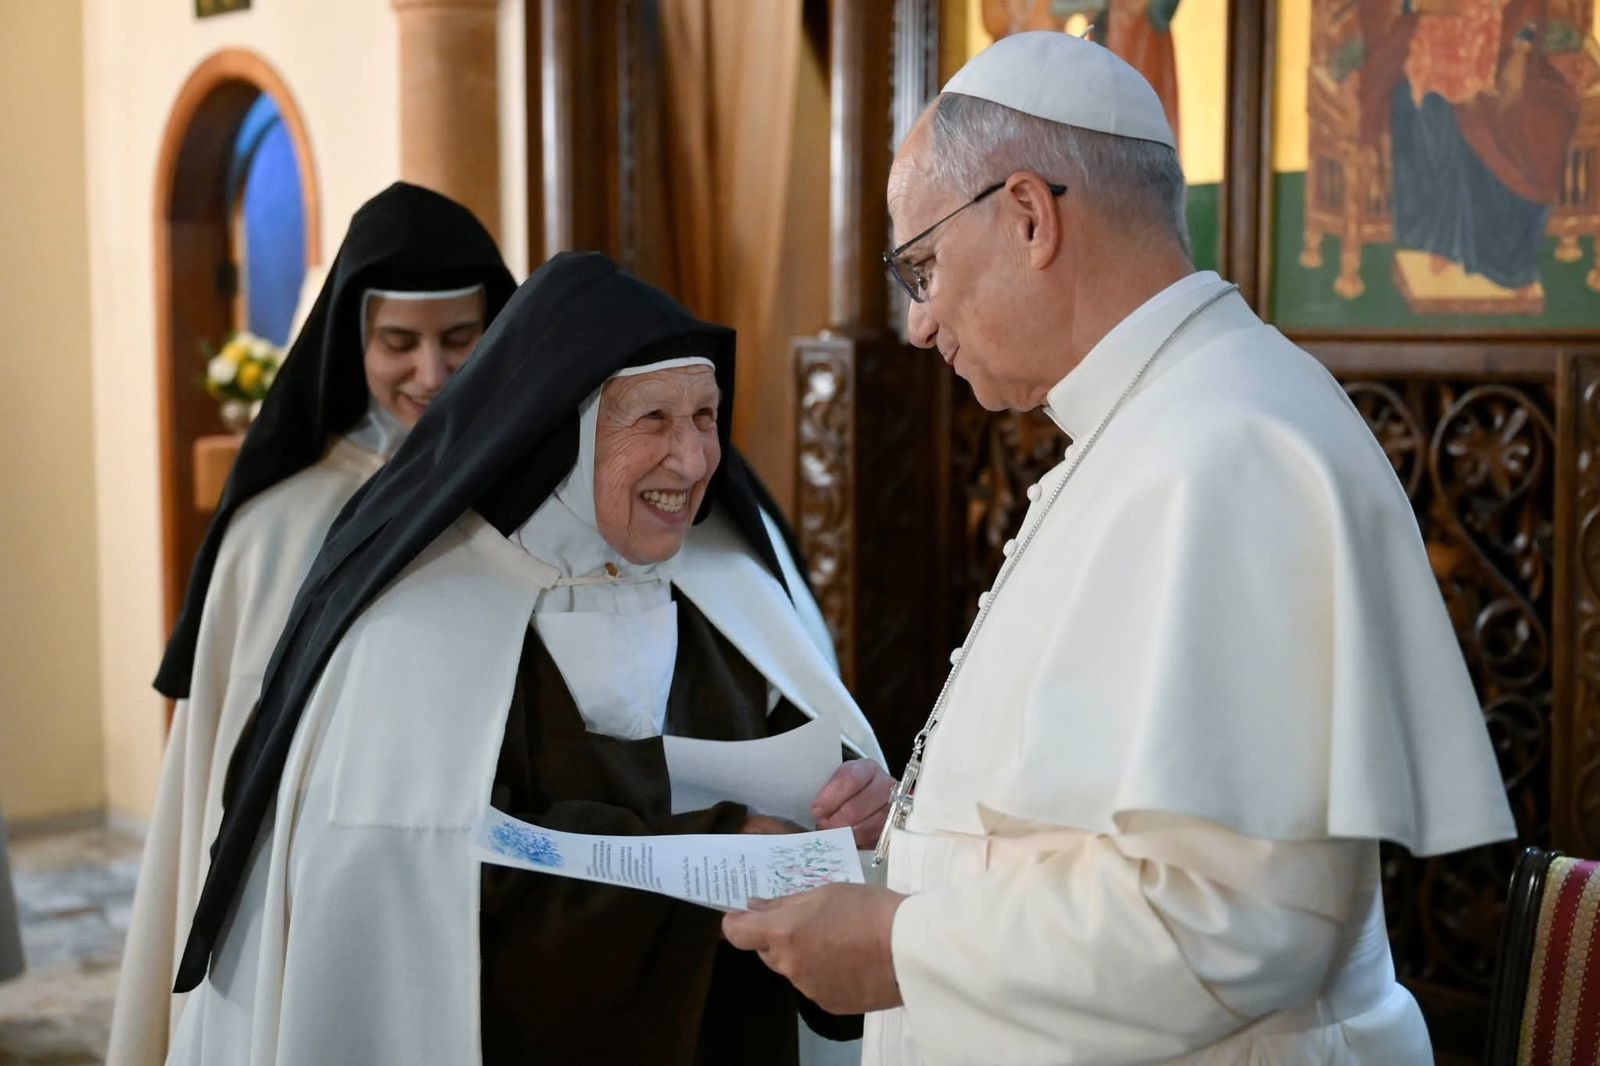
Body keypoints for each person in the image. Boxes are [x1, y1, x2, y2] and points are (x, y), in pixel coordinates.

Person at [723, 31, 1514, 1064]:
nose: (917, 326)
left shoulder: (1226, 449)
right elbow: (1074, 836)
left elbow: (1229, 922)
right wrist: (886, 863)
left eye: (921, 266)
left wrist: (898, 941)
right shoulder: (1151, 425)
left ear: (1027, 215)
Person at [164, 252, 892, 1065]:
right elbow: (417, 900)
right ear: (560, 432)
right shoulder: (415, 626)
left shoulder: (734, 591)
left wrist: (854, 805)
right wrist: (725, 850)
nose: (691, 462)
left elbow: (823, 775)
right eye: (651, 420)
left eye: (704, 417)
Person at [108, 182, 515, 1066]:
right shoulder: (275, 531)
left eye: (460, 339)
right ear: (351, 343)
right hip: (304, 892)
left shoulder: (529, 501)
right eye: (398, 343)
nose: (433, 374)